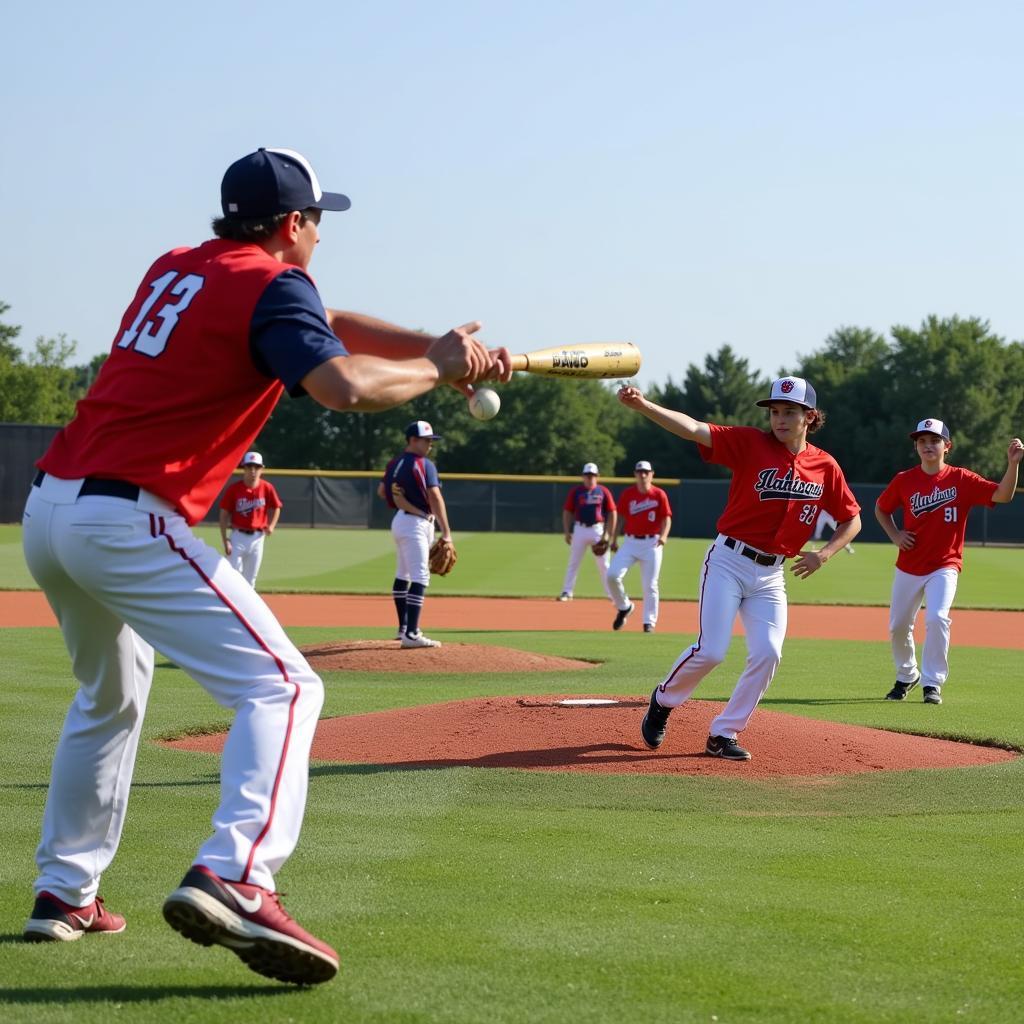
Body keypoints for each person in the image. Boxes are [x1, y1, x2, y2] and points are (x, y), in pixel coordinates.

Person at [20, 147, 510, 983]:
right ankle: (240, 874)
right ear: (294, 224)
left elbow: (329, 321)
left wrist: (438, 344)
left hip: (51, 510)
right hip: (127, 516)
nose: (321, 235)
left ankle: (65, 892)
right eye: (319, 220)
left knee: (110, 697)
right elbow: (342, 383)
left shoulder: (182, 266)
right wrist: (435, 369)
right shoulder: (274, 286)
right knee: (285, 687)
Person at [619, 377, 861, 760]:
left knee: (768, 653)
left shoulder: (825, 465)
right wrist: (645, 406)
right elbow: (694, 429)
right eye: (775, 412)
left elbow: (852, 520)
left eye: (789, 412)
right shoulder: (750, 443)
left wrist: (826, 553)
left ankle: (723, 733)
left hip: (771, 576)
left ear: (809, 417)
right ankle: (663, 701)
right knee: (712, 650)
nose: (779, 419)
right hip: (729, 561)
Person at [876, 419, 1022, 705]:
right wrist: (895, 535)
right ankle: (907, 675)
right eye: (922, 441)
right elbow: (881, 509)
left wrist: (1013, 464)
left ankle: (932, 683)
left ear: (947, 446)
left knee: (937, 617)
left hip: (945, 564)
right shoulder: (904, 480)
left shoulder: (962, 479)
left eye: (934, 440)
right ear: (916, 447)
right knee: (898, 626)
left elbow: (1002, 495)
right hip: (909, 565)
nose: (927, 446)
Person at [378, 420, 454, 647]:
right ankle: (411, 633)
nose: (430, 445)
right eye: (426, 440)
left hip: (401, 521)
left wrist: (404, 501)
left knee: (403, 575)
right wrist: (447, 533)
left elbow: (382, 491)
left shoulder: (394, 463)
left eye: (431, 441)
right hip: (416, 524)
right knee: (421, 577)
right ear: (413, 440)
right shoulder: (424, 464)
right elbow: (435, 497)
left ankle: (403, 628)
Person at [606, 461, 673, 633]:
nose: (643, 475)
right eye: (639, 472)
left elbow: (666, 518)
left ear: (652, 474)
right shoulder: (628, 494)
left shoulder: (659, 494)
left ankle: (649, 622)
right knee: (612, 575)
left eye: (646, 472)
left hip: (652, 543)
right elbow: (620, 518)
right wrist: (613, 539)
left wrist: (664, 536)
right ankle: (624, 606)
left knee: (650, 585)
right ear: (635, 474)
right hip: (630, 542)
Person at [218, 451, 283, 588]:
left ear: (262, 469)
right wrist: (225, 540)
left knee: (250, 580)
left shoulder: (267, 487)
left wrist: (271, 526)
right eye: (249, 467)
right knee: (233, 576)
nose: (253, 471)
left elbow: (276, 507)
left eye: (257, 467)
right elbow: (224, 514)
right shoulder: (234, 489)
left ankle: (244, 609)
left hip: (258, 538)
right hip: (238, 537)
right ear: (244, 468)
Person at [557, 462, 616, 602]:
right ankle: (567, 592)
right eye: (587, 475)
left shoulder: (603, 491)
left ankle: (612, 594)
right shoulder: (576, 492)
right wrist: (566, 531)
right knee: (574, 562)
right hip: (580, 529)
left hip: (598, 530)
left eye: (593, 475)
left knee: (604, 564)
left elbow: (613, 512)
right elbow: (567, 511)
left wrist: (608, 534)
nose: (590, 478)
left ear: (598, 476)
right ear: (583, 476)